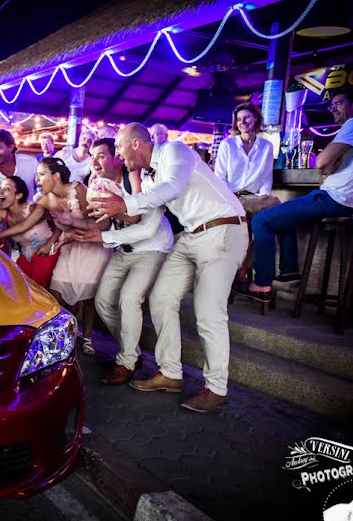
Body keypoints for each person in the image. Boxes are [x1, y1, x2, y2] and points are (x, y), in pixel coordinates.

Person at [91, 123, 247, 413]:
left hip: (223, 229)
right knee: (161, 298)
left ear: (136, 144)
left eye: (121, 148)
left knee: (208, 313)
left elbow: (172, 187)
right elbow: (145, 218)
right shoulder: (149, 180)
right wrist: (109, 217)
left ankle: (216, 389)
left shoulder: (176, 151)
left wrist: (123, 202)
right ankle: (171, 373)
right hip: (190, 236)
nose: (119, 156)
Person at [234, 88, 353, 302]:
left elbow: (321, 163)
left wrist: (326, 164)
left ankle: (262, 284)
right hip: (343, 200)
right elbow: (326, 168)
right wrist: (328, 166)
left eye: (339, 103)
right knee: (279, 217)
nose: (333, 109)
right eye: (332, 105)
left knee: (261, 221)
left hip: (334, 199)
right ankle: (289, 274)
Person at [73, 138, 173, 384]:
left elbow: (142, 224)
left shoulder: (141, 180)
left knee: (129, 297)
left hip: (153, 247)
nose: (95, 162)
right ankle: (132, 351)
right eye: (93, 157)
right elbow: (104, 222)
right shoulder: (95, 183)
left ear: (117, 158)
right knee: (104, 301)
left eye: (102, 156)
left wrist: (107, 227)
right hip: (123, 248)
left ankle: (126, 361)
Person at [0, 157, 111, 355]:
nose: (37, 179)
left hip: (91, 247)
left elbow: (96, 222)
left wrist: (59, 238)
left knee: (88, 297)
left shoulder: (77, 189)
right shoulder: (44, 200)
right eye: (36, 175)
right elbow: (26, 225)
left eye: (41, 174)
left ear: (56, 176)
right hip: (66, 248)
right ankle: (56, 337)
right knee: (56, 290)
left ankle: (87, 338)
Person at [214, 102, 280, 285]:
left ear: (256, 119)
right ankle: (239, 270)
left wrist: (262, 198)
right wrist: (230, 199)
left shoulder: (266, 146)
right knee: (268, 217)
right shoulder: (227, 145)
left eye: (247, 117)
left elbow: (266, 178)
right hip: (231, 197)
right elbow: (219, 178)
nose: (242, 122)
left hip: (254, 199)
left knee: (267, 225)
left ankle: (244, 268)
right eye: (239, 119)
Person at [0, 176, 60, 288]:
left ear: (18, 195)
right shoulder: (2, 213)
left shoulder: (33, 208)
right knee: (16, 287)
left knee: (36, 290)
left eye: (6, 189)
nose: (0, 192)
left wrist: (50, 243)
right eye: (0, 188)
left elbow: (59, 223)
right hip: (27, 257)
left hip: (48, 252)